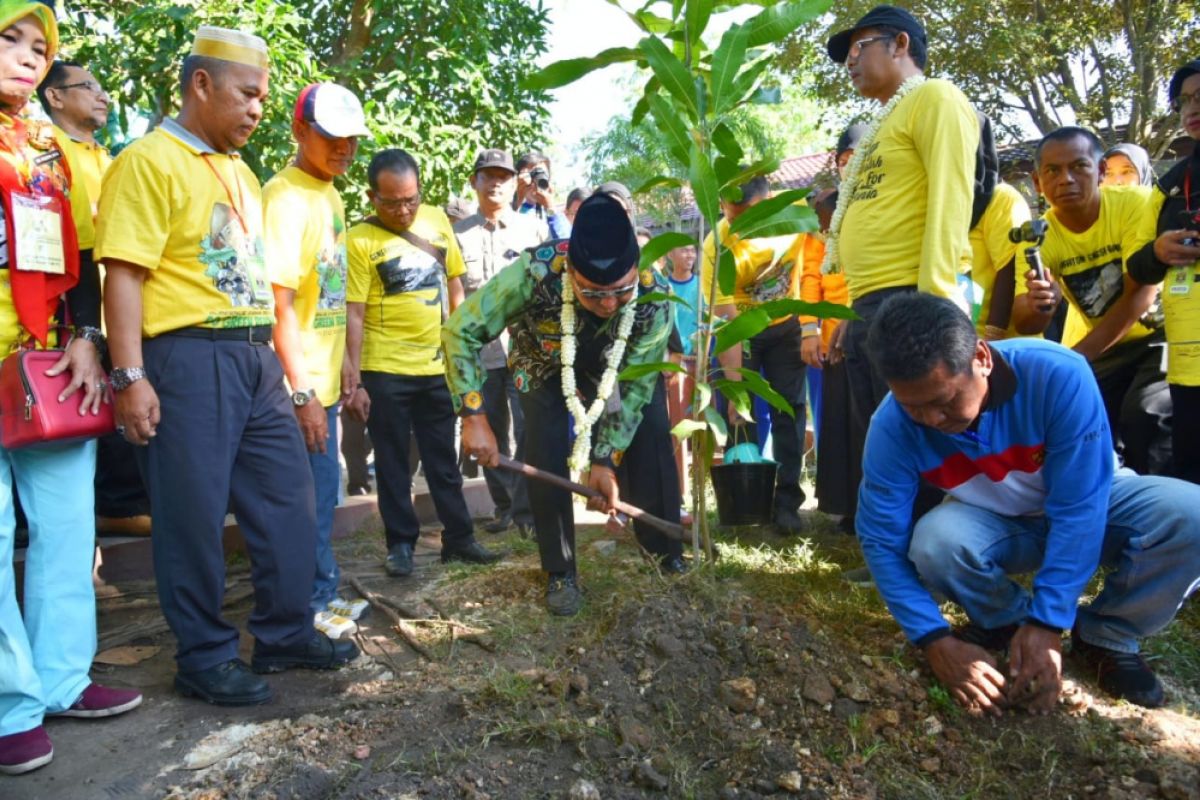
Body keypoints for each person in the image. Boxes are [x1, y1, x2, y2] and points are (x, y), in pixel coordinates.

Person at [97, 25, 359, 708]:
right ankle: (205, 657)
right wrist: (130, 376)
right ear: (201, 84)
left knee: (290, 500)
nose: (255, 109)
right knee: (191, 515)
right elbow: (122, 275)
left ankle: (283, 632)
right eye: (246, 94)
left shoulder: (240, 172)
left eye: (264, 99)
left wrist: (286, 374)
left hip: (254, 357)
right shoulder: (147, 160)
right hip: (185, 356)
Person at [857, 292, 1200, 713]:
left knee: (1191, 515)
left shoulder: (1058, 375)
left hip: (1096, 500)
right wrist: (933, 639)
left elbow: (1078, 509)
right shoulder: (891, 425)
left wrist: (1050, 620)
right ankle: (1006, 621)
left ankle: (1105, 635)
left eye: (943, 401)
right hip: (997, 521)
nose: (930, 420)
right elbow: (879, 538)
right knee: (936, 542)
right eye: (914, 407)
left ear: (981, 357)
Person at [0, 2, 141, 776]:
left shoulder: (48, 148)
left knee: (63, 531)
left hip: (49, 364)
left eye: (39, 45)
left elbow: (83, 255)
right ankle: (8, 705)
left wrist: (86, 336)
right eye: (10, 39)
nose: (28, 57)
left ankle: (59, 681)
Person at [446, 194, 683, 616]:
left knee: (649, 428)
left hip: (619, 367)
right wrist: (473, 414)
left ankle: (665, 552)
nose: (609, 304)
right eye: (593, 293)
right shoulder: (535, 271)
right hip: (543, 365)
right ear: (570, 271)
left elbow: (634, 391)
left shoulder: (655, 294)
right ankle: (560, 571)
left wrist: (605, 462)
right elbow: (460, 331)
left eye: (620, 291)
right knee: (545, 445)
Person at [822, 5, 978, 524]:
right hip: (872, 300)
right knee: (882, 432)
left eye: (859, 46)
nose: (850, 61)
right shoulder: (886, 120)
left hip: (913, 298)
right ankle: (892, 548)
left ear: (901, 45)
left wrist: (935, 305)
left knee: (922, 427)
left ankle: (930, 551)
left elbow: (951, 196)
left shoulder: (936, 98)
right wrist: (849, 311)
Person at [344, 149, 500, 578]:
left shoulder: (435, 220)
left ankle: (460, 539)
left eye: (410, 199)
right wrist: (353, 377)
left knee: (443, 460)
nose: (403, 210)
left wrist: (461, 349)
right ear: (372, 197)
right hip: (384, 369)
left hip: (437, 368)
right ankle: (401, 545)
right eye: (392, 202)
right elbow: (353, 311)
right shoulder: (358, 240)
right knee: (393, 462)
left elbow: (455, 287)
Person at [265, 83, 368, 636]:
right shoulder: (284, 198)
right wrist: (302, 391)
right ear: (300, 130)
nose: (345, 148)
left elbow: (325, 294)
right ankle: (306, 610)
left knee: (321, 498)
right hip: (294, 388)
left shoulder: (329, 193)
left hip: (324, 381)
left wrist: (347, 364)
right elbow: (277, 304)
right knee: (304, 504)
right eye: (332, 137)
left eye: (352, 139)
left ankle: (319, 595)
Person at [1011, 127, 1171, 476]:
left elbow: (1141, 294)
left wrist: (1074, 360)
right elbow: (1026, 322)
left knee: (1145, 412)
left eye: (1078, 167)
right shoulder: (1039, 236)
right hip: (1107, 350)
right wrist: (1041, 305)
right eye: (1052, 171)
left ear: (1100, 173)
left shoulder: (1136, 205)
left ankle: (1167, 512)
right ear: (1038, 183)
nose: (1065, 179)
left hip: (1161, 336)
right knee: (1073, 419)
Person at [37, 60, 149, 533]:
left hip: (120, 298)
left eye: (103, 88)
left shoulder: (111, 159)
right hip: (68, 303)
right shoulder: (43, 153)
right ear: (55, 98)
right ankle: (114, 508)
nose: (102, 96)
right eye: (88, 87)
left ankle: (121, 504)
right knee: (79, 403)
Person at [700, 174, 817, 532]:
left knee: (789, 410)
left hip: (787, 327)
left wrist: (812, 325)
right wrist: (735, 390)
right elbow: (730, 325)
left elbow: (816, 260)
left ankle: (787, 501)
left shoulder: (794, 211)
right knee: (741, 414)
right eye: (730, 217)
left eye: (746, 216)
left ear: (766, 203)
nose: (737, 226)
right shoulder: (715, 248)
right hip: (744, 331)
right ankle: (747, 502)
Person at [453, 148, 542, 535]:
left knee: (527, 428)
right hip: (479, 353)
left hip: (523, 350)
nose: (496, 184)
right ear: (474, 181)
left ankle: (526, 511)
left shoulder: (532, 232)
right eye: (488, 176)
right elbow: (454, 299)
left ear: (514, 183)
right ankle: (504, 506)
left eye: (503, 177)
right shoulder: (456, 235)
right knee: (487, 427)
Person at [1127, 59, 1200, 483]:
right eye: (1184, 101)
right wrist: (1158, 251)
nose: (1191, 108)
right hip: (1188, 363)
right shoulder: (1170, 185)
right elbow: (1136, 266)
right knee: (1192, 475)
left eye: (1199, 97)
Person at [664, 243, 701, 503]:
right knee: (675, 425)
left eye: (692, 250)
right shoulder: (663, 287)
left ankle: (700, 486)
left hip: (699, 361)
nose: (689, 255)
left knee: (698, 423)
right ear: (669, 254)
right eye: (683, 250)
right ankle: (679, 489)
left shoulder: (703, 285)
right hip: (671, 365)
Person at [513, 150, 570, 239]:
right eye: (532, 174)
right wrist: (519, 200)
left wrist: (550, 207)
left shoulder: (556, 214)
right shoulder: (509, 210)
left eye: (542, 174)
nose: (537, 179)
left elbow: (565, 242)